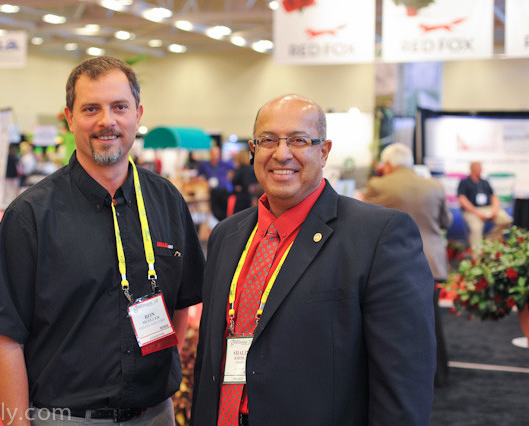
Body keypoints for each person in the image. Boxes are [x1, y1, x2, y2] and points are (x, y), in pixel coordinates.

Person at [0, 55, 205, 426]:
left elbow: (181, 304)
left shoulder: (167, 201)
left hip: (156, 414)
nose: (106, 121)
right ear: (69, 118)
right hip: (66, 417)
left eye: (119, 107)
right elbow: (4, 337)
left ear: (138, 114)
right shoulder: (30, 215)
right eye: (91, 108)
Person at [191, 95, 436, 425]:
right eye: (268, 140)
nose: (282, 153)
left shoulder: (377, 236)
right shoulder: (226, 235)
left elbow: (403, 383)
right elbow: (208, 359)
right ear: (253, 150)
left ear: (324, 151)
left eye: (299, 140)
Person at [363, 142, 453, 386]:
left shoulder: (378, 185)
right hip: (432, 261)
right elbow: (446, 221)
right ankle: (439, 374)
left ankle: (402, 376)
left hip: (393, 264)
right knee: (431, 319)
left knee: (394, 323)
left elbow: (363, 224)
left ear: (387, 164)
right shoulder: (435, 186)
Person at [457, 161, 513, 248]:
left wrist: (494, 209)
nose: (481, 169)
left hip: (488, 208)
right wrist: (477, 213)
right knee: (476, 229)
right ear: (472, 169)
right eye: (479, 168)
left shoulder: (485, 182)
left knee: (506, 220)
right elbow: (462, 199)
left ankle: (489, 241)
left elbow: (494, 197)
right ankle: (477, 253)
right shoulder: (464, 182)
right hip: (472, 211)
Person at [197, 145, 234, 223]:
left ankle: (224, 225)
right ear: (210, 154)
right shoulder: (205, 165)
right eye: (213, 154)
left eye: (217, 154)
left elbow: (235, 168)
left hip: (223, 191)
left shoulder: (224, 163)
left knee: (225, 212)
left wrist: (230, 177)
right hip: (213, 191)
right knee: (215, 211)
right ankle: (220, 225)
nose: (215, 156)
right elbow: (198, 175)